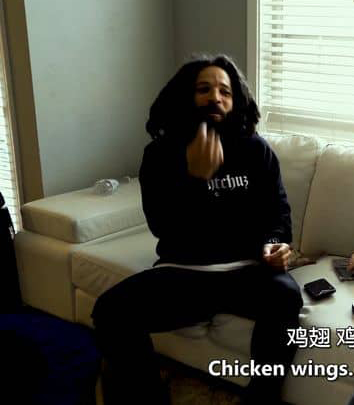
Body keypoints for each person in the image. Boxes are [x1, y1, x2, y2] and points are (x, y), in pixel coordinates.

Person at [91, 54, 302, 405]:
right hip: (183, 273)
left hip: (247, 270)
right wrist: (192, 179)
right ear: (186, 97)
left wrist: (275, 244)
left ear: (236, 101)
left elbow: (278, 212)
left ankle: (261, 398)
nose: (215, 97)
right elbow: (161, 224)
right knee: (110, 311)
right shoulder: (160, 154)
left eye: (225, 91)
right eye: (204, 89)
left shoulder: (255, 150)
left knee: (286, 296)